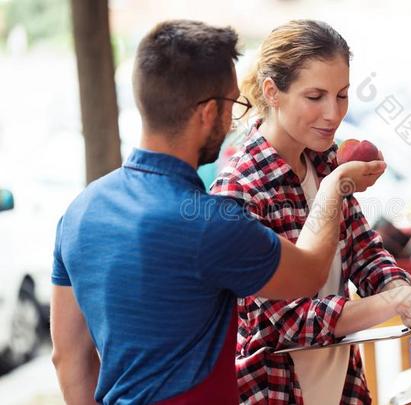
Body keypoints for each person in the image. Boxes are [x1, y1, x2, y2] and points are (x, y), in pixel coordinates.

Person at [50, 20, 386, 405]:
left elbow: (69, 358)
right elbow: (309, 272)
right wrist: (335, 188)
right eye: (234, 104)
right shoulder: (211, 222)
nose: (235, 120)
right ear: (209, 113)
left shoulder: (78, 212)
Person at [211, 20, 411, 404]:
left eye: (342, 95)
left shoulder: (328, 162)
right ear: (272, 92)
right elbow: (288, 321)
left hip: (342, 387)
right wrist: (397, 303)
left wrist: (403, 295)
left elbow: (365, 254)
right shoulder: (239, 192)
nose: (333, 114)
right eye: (315, 97)